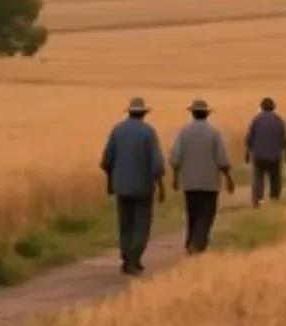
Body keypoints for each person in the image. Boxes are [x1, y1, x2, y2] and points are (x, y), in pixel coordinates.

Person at [100, 96, 165, 276]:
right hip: (143, 187)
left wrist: (110, 182)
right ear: (144, 113)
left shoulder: (117, 131)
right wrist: (160, 186)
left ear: (129, 112)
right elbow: (157, 164)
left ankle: (126, 257)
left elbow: (106, 161)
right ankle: (134, 258)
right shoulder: (148, 132)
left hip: (121, 185)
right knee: (141, 224)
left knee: (125, 223)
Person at [170, 98, 235, 253]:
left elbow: (175, 158)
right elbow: (222, 159)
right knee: (206, 216)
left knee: (192, 214)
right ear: (207, 114)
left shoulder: (183, 133)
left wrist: (175, 178)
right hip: (210, 183)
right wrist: (228, 178)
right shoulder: (214, 133)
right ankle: (197, 244)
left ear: (192, 114)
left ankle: (191, 243)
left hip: (189, 183)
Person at [245, 96, 286, 205]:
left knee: (258, 178)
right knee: (275, 178)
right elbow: (283, 138)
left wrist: (247, 152)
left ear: (261, 108)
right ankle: (274, 198)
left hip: (259, 155)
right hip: (275, 155)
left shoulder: (256, 120)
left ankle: (258, 200)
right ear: (274, 108)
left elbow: (249, 139)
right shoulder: (279, 120)